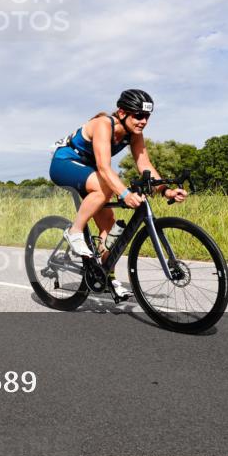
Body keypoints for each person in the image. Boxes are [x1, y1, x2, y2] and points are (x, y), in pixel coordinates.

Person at [49, 89, 187, 302]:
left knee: (110, 228)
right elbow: (104, 168)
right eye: (138, 115)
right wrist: (124, 193)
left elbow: (144, 164)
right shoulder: (104, 124)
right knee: (106, 188)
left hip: (89, 171)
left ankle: (104, 274)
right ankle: (74, 231)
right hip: (65, 163)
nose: (143, 121)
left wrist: (165, 190)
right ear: (122, 112)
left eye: (147, 117)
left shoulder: (135, 134)